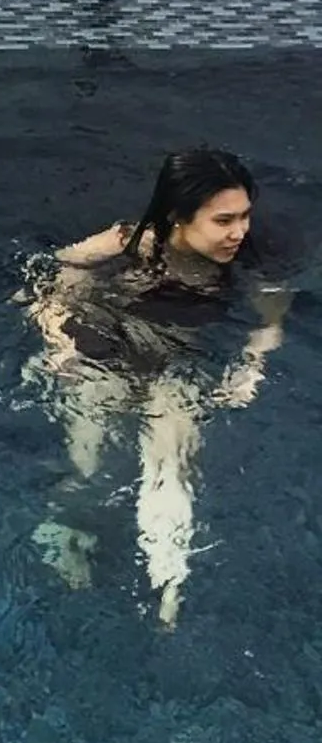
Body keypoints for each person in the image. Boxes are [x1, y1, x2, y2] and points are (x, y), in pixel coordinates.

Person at [24, 146, 294, 626]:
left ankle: (169, 578)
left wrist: (251, 366)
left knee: (170, 459)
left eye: (245, 216)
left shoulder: (251, 261)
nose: (240, 232)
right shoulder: (133, 241)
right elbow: (47, 276)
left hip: (178, 365)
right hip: (105, 346)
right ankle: (69, 529)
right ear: (179, 217)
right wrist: (58, 333)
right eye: (224, 220)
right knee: (88, 456)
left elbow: (270, 322)